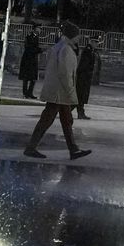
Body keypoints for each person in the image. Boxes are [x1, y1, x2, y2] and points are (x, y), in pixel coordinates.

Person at [23, 16, 91, 162]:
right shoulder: (66, 49)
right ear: (72, 35)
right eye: (77, 35)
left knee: (65, 121)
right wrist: (71, 92)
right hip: (59, 92)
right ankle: (32, 147)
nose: (79, 38)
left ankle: (73, 149)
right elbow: (65, 74)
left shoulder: (61, 47)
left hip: (58, 92)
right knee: (48, 120)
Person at [74, 29, 99, 119]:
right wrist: (86, 73)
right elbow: (84, 65)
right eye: (95, 42)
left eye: (97, 42)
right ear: (91, 42)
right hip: (83, 77)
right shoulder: (88, 51)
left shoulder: (91, 50)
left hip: (85, 77)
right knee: (80, 95)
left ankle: (79, 112)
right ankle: (79, 112)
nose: (97, 44)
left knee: (81, 96)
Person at [18, 26, 42, 99]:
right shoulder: (29, 37)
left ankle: (30, 93)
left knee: (33, 79)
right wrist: (38, 50)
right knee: (26, 78)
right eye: (38, 29)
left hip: (33, 60)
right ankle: (25, 93)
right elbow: (29, 47)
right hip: (27, 60)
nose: (39, 31)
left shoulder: (36, 37)